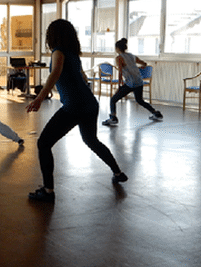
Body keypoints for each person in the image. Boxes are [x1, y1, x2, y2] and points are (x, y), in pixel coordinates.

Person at [26, 19, 128, 202]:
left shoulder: (58, 52)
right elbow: (82, 76)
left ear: (53, 35)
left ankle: (48, 191)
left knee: (44, 144)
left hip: (75, 105)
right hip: (90, 103)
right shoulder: (73, 53)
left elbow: (55, 72)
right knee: (91, 140)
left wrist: (40, 97)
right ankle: (118, 172)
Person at [102, 38, 163, 126]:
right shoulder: (132, 56)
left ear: (117, 48)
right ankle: (156, 113)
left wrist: (119, 86)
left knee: (113, 100)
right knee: (140, 100)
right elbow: (144, 64)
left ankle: (113, 118)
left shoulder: (119, 58)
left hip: (130, 83)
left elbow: (120, 72)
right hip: (139, 81)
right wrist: (140, 67)